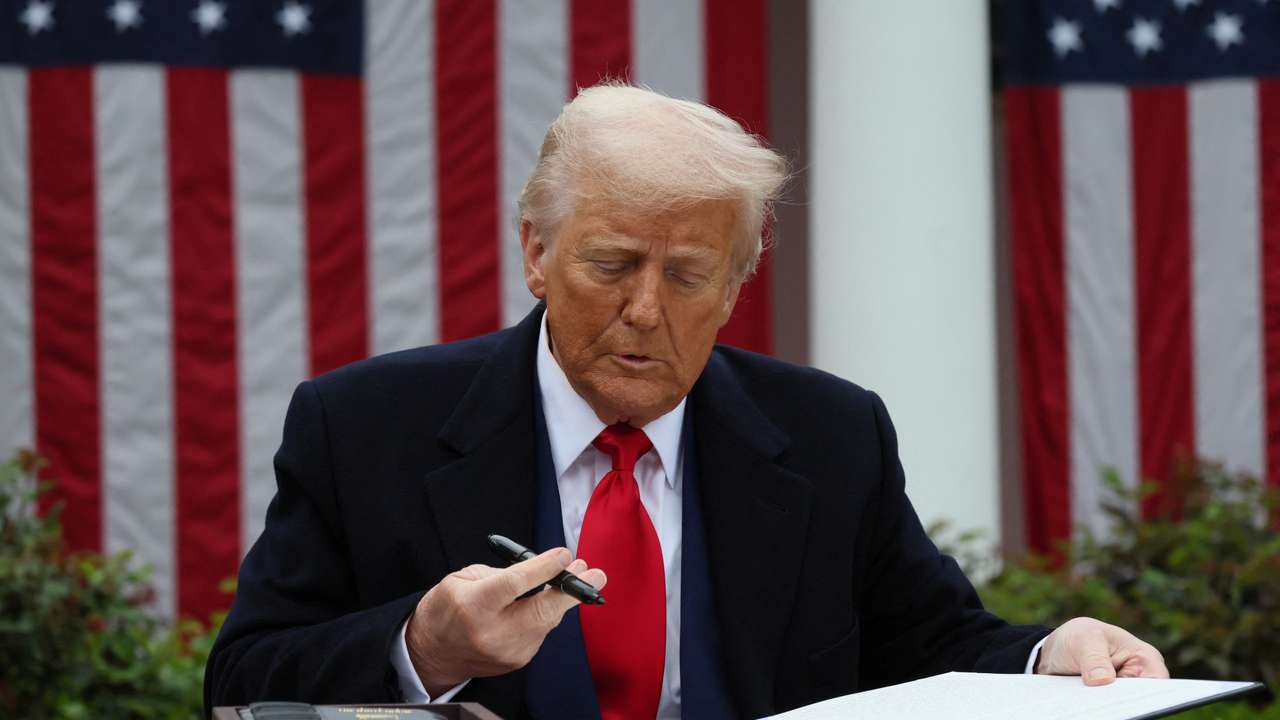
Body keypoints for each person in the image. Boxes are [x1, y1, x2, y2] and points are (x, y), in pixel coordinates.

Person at [204, 83, 1168, 719]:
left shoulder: (831, 435)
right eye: (612, 264)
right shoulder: (364, 425)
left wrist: (1055, 657)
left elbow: (933, 644)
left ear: (740, 283)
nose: (644, 310)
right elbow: (241, 681)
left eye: (691, 275)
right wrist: (424, 645)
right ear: (537, 253)